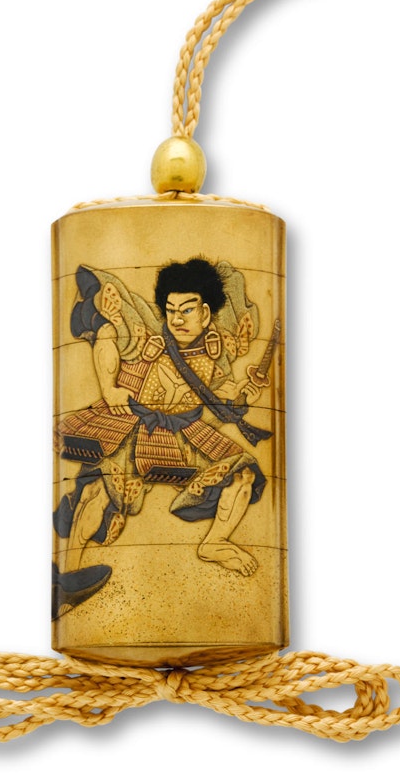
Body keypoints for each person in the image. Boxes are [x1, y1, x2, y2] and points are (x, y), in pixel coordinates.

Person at [52, 258, 272, 617]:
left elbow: (222, 396)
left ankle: (215, 541)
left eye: (187, 310)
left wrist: (246, 391)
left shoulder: (214, 350)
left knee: (243, 474)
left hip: (184, 432)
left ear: (205, 313)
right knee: (98, 492)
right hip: (134, 424)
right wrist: (108, 389)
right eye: (171, 310)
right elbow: (107, 334)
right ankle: (67, 577)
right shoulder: (148, 338)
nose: (177, 319)